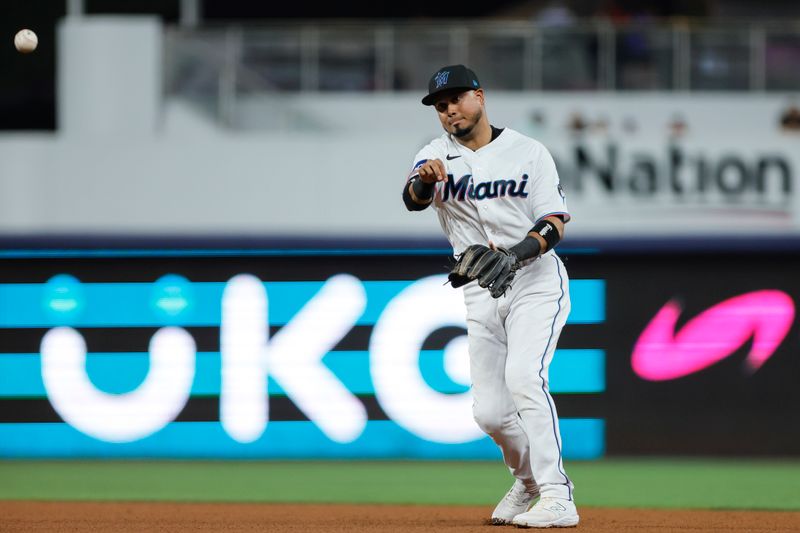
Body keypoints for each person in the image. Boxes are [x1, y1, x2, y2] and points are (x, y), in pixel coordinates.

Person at [402, 65, 578, 528]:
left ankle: (559, 497)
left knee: (524, 377)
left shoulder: (528, 151)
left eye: (457, 99)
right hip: (481, 292)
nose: (449, 110)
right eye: (441, 106)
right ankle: (528, 482)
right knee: (491, 414)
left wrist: (516, 255)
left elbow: (553, 222)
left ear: (480, 96)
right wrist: (424, 180)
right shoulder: (435, 154)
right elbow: (413, 197)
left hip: (536, 282)